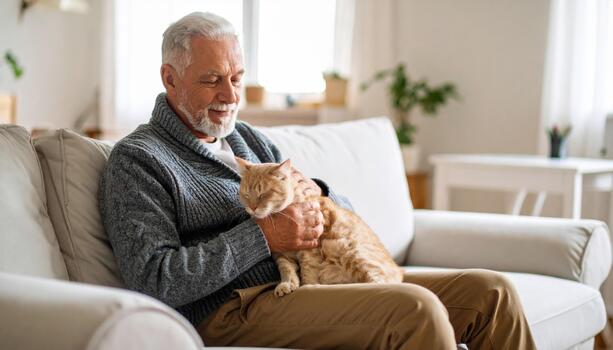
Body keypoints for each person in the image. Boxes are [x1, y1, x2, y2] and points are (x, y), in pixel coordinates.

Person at [99, 12, 537, 350]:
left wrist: (320, 192)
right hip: (236, 305)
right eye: (212, 80)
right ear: (170, 79)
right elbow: (154, 278)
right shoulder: (139, 159)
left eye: (236, 78)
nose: (231, 96)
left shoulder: (247, 137)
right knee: (415, 309)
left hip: (317, 278)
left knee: (491, 292)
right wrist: (264, 236)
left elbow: (343, 217)